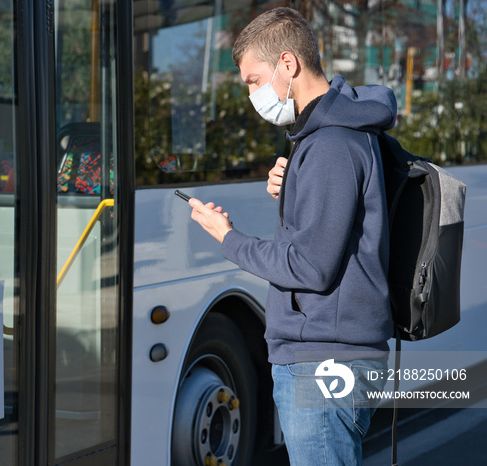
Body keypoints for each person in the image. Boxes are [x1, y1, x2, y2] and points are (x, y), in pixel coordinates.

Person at [188, 7, 395, 465]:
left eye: (252, 80)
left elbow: (310, 267)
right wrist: (294, 191)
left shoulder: (331, 145)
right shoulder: (326, 140)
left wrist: (228, 237)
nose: (252, 94)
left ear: (288, 64)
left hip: (323, 361)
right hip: (330, 355)